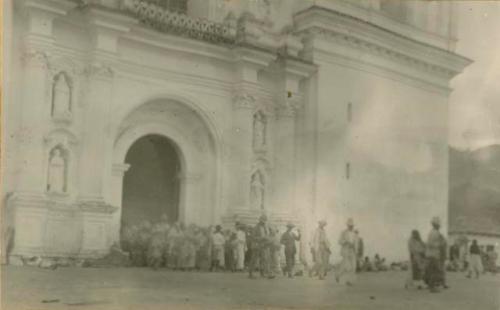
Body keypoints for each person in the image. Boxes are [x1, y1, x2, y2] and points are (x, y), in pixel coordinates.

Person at [424, 217, 448, 292]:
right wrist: (440, 244)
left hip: (431, 254)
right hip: (433, 255)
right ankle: (432, 287)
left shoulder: (432, 232)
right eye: (439, 225)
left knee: (433, 270)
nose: (439, 226)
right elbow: (431, 244)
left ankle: (431, 286)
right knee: (436, 271)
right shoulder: (435, 233)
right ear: (436, 225)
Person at [249, 214, 274, 279]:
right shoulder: (256, 228)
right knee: (254, 259)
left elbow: (268, 235)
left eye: (265, 221)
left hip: (264, 246)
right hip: (257, 246)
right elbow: (253, 237)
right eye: (262, 221)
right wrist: (262, 238)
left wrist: (268, 239)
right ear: (260, 221)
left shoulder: (266, 227)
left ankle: (262, 273)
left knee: (264, 260)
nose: (264, 222)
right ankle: (250, 273)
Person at [335, 218, 357, 285]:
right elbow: (339, 241)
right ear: (347, 225)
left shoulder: (354, 233)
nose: (351, 227)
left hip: (352, 250)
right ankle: (338, 275)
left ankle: (348, 280)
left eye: (352, 225)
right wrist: (346, 242)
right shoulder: (343, 232)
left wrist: (355, 249)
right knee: (348, 267)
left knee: (354, 266)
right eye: (350, 225)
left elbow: (355, 242)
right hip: (345, 251)